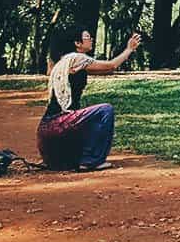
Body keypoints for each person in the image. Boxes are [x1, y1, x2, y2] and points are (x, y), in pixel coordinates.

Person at [37, 25, 140, 172]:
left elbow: (50, 70)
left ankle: (67, 158)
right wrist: (129, 49)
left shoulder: (62, 61)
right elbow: (111, 66)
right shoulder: (76, 58)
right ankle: (92, 161)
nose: (91, 39)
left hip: (47, 135)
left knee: (86, 116)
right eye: (87, 37)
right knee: (105, 110)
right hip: (57, 127)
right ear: (77, 43)